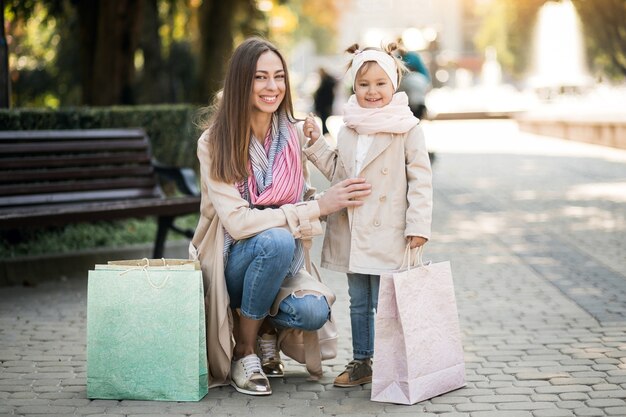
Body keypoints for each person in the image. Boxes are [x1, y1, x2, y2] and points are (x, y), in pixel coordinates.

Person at [190, 37, 372, 396]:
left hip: (282, 262)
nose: (272, 87)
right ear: (242, 81)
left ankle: (265, 331)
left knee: (312, 312)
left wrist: (325, 197)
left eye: (278, 77)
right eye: (260, 78)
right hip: (231, 262)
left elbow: (303, 196)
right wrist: (316, 208)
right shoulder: (214, 142)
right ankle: (245, 351)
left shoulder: (291, 134)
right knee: (274, 239)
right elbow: (239, 223)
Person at [302, 42, 433, 387]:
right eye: (364, 85)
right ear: (353, 88)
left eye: (380, 83)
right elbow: (338, 172)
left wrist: (418, 225)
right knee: (359, 301)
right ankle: (363, 361)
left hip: (390, 230)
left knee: (386, 302)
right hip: (353, 228)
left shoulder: (407, 128)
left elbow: (421, 181)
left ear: (393, 85)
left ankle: (395, 363)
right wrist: (316, 144)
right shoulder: (349, 127)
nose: (372, 92)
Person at [313, 67, 337, 135]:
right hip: (324, 105)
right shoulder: (325, 81)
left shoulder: (326, 82)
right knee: (323, 119)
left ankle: (325, 131)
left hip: (324, 105)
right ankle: (325, 131)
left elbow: (325, 96)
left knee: (324, 119)